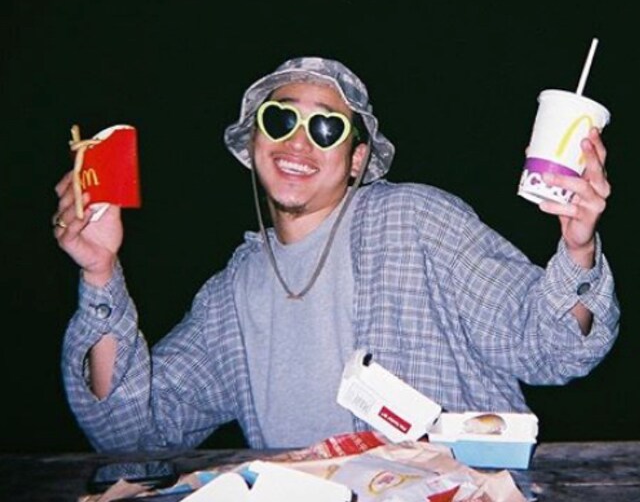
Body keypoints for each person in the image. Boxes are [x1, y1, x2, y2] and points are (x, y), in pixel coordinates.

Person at [53, 56, 619, 452]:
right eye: (280, 120)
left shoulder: (415, 220)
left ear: (356, 159)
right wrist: (101, 274)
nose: (299, 141)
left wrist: (577, 246)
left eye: (326, 127)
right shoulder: (232, 294)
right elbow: (134, 432)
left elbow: (550, 348)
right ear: (254, 143)